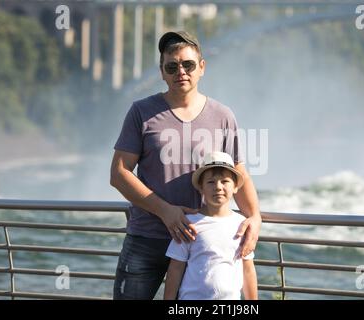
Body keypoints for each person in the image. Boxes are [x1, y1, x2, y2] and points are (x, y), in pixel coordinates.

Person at [110, 30, 261, 300]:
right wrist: (165, 211)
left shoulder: (223, 116)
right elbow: (119, 173)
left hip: (200, 242)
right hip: (147, 236)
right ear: (162, 72)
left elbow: (238, 172)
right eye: (172, 66)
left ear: (202, 67)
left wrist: (255, 217)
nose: (181, 71)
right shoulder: (141, 111)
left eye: (188, 64)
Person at [164, 152, 258, 300]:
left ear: (235, 187)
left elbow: (248, 270)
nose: (218, 187)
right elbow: (175, 268)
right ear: (201, 188)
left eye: (225, 181)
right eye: (210, 182)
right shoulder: (189, 224)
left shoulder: (242, 224)